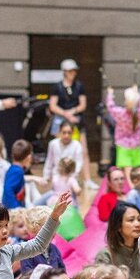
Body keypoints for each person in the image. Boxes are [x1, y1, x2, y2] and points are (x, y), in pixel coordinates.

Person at [47, 59, 94, 189]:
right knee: (57, 149)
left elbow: (82, 104)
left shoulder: (79, 86)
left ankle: (88, 179)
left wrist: (73, 112)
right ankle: (56, 177)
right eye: (70, 71)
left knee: (84, 150)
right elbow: (53, 105)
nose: (73, 73)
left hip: (77, 120)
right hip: (61, 120)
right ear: (65, 72)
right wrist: (66, 114)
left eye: (74, 70)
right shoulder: (57, 86)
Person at [96, 202, 140, 279]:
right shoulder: (105, 255)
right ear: (118, 226)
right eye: (131, 220)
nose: (137, 224)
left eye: (139, 219)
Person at [106, 86, 140, 187]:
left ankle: (130, 188)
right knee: (138, 170)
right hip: (136, 145)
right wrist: (136, 92)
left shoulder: (120, 113)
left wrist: (110, 93)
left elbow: (110, 106)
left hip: (123, 145)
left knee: (127, 171)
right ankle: (139, 187)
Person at [19, 206, 65, 275]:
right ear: (33, 230)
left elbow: (63, 270)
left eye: (54, 228)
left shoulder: (54, 249)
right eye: (48, 230)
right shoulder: (27, 252)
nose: (53, 232)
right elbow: (27, 276)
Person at [1, 139, 34, 210]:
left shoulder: (14, 169)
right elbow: (8, 189)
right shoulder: (17, 171)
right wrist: (16, 209)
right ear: (28, 157)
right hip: (14, 212)